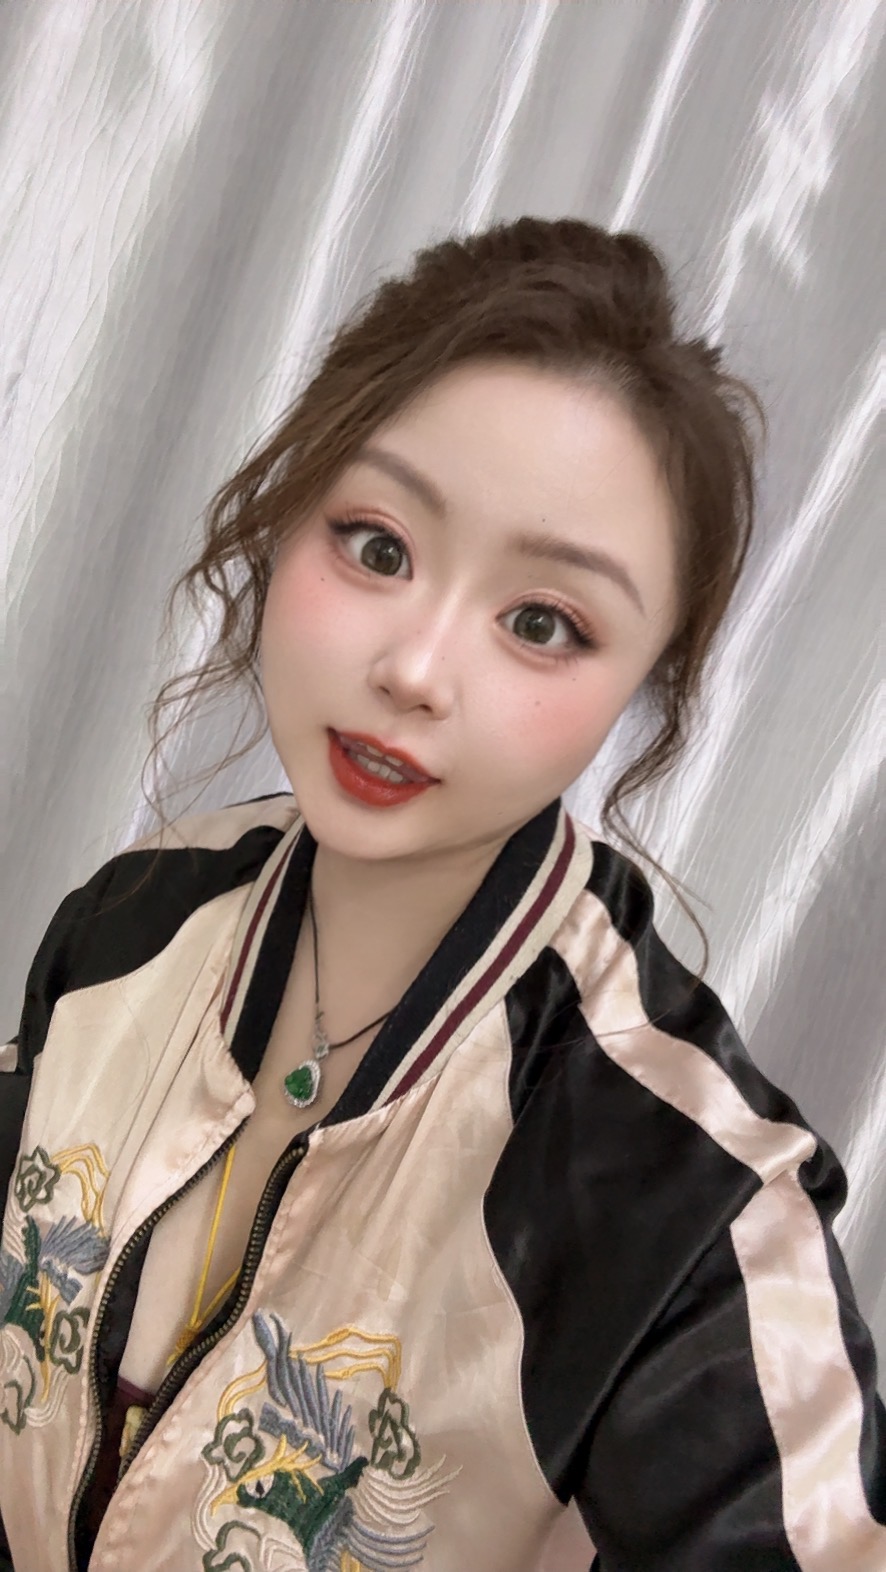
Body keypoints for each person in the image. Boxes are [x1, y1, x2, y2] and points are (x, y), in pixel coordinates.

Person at [0, 216, 882, 1572]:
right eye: (375, 545)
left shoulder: (681, 1194)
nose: (413, 668)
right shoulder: (130, 925)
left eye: (541, 623)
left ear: (644, 685)